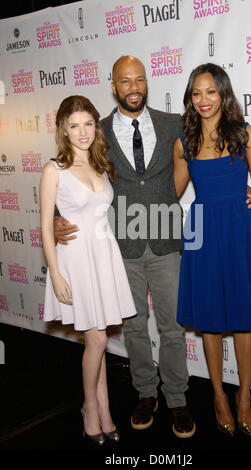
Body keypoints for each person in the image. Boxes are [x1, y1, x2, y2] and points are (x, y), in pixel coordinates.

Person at [53, 56, 251, 438]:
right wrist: (55, 216)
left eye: (139, 79)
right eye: (125, 81)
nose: (133, 87)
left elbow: (207, 160)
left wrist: (243, 190)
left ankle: (178, 398)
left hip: (167, 240)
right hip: (119, 244)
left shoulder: (175, 125)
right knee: (133, 327)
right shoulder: (96, 131)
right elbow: (70, 170)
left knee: (173, 326)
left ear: (146, 83)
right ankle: (146, 393)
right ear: (113, 86)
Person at [173, 63, 251, 437]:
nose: (203, 100)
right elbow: (169, 194)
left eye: (211, 91)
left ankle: (245, 397)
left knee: (242, 321)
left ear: (223, 93)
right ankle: (219, 395)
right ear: (190, 98)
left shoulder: (245, 134)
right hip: (203, 234)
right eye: (196, 93)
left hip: (241, 232)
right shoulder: (184, 143)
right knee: (209, 321)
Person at [40, 95, 137, 446]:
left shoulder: (100, 164)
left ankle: (106, 410)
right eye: (74, 126)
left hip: (103, 257)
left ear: (96, 127)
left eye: (88, 124)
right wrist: (56, 274)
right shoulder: (54, 170)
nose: (82, 132)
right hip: (76, 263)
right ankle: (90, 410)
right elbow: (44, 227)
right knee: (96, 338)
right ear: (63, 130)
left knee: (97, 340)